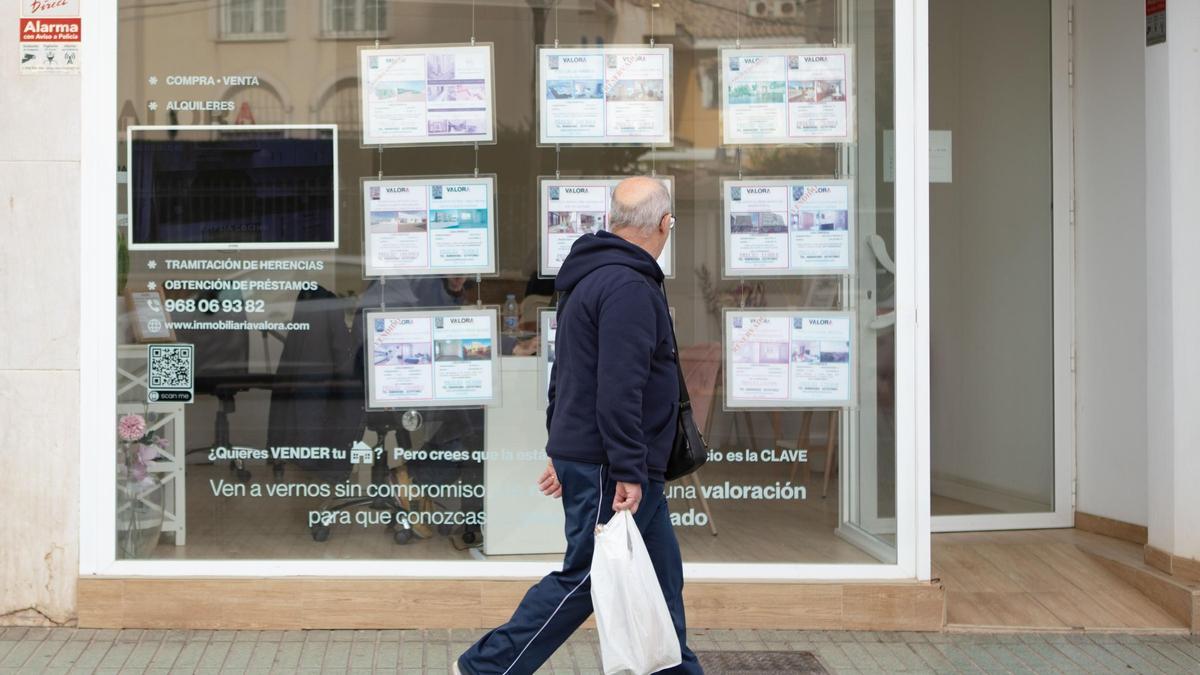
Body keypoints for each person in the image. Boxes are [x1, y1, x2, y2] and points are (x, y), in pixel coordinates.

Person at [456, 177, 702, 674]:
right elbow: (618, 388)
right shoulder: (630, 286)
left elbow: (566, 373)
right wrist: (627, 469)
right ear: (663, 223)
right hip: (614, 464)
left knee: (660, 576)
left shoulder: (589, 277)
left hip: (598, 455)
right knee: (586, 577)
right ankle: (487, 667)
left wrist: (562, 448)